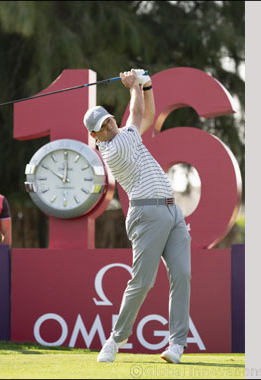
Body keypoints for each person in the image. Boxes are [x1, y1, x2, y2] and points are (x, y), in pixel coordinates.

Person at [85, 69, 191, 364]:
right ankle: (115, 340)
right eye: (103, 127)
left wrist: (147, 85)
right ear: (95, 136)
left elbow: (147, 113)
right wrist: (133, 86)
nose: (109, 126)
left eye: (108, 120)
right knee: (143, 281)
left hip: (172, 211)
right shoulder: (115, 148)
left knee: (182, 274)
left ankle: (177, 345)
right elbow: (136, 113)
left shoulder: (123, 135)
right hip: (147, 214)